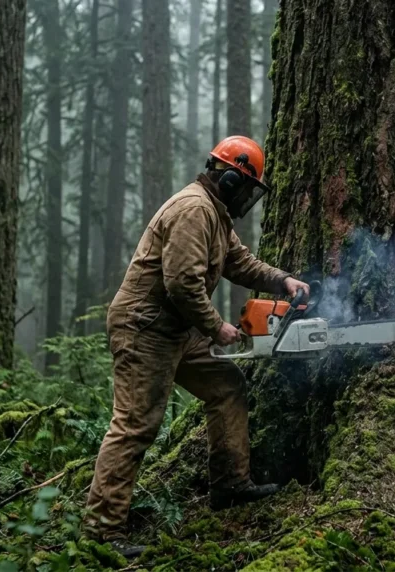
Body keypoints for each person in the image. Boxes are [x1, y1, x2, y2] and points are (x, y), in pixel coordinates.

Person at [84, 136, 309, 558]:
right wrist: (215, 327)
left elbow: (239, 263)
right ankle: (101, 530)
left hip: (174, 327)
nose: (245, 197)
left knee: (226, 386)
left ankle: (230, 484)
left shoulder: (215, 215)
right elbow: (181, 282)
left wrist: (283, 281)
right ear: (227, 179)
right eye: (244, 186)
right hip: (146, 326)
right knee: (136, 424)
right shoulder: (194, 210)